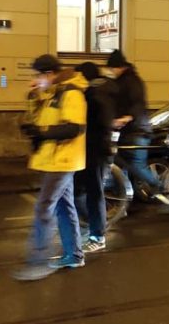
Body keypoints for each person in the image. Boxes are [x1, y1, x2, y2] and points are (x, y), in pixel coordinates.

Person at [14, 54, 88, 281]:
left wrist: (43, 133)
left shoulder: (71, 93)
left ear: (49, 74)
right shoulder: (51, 94)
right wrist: (33, 97)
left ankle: (38, 262)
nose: (36, 79)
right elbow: (37, 120)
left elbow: (75, 128)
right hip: (53, 159)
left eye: (38, 75)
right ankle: (74, 255)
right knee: (64, 207)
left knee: (44, 207)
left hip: (63, 160)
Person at [106, 50, 169, 206]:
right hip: (127, 131)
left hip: (138, 130)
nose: (111, 71)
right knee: (120, 164)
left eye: (112, 68)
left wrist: (127, 117)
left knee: (136, 164)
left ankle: (160, 187)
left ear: (119, 66)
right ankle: (122, 200)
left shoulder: (133, 81)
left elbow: (137, 103)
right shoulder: (120, 81)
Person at [74, 62, 118, 253]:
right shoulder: (95, 93)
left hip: (97, 151)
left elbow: (101, 124)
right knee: (78, 191)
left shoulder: (97, 95)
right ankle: (93, 225)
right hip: (89, 151)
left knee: (94, 193)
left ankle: (98, 236)